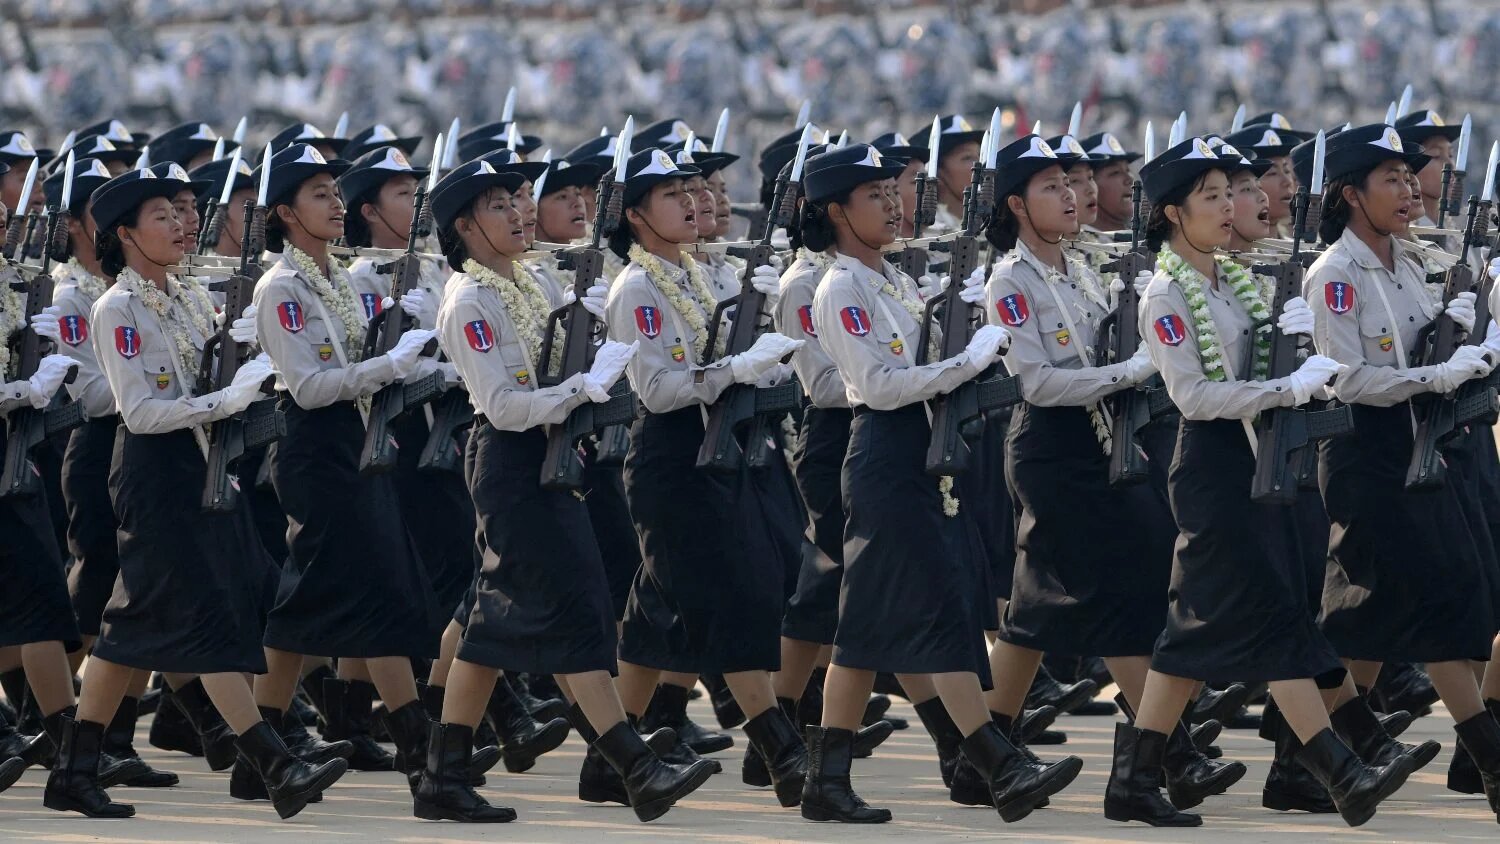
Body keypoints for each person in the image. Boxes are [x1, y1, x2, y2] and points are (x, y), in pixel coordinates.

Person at [1127, 136, 1414, 828]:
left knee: (1191, 636)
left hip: (1257, 461)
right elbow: (1193, 397)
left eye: (1232, 194)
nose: (1229, 208)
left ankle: (1133, 777)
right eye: (1211, 198)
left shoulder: (1234, 281)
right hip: (1211, 468)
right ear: (1173, 214)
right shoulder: (1166, 292)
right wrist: (1284, 388)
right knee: (1271, 615)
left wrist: (1288, 359)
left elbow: (1253, 376)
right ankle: (1340, 768)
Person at [417, 157, 715, 823]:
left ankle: (444, 772)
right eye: (500, 206)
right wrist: (579, 387)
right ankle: (630, 763)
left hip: (550, 457)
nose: (521, 213)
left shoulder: (530, 281)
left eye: (518, 201)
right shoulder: (469, 301)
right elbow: (500, 404)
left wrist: (593, 358)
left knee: (490, 622)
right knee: (562, 610)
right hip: (511, 462)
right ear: (464, 226)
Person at [801, 143, 1081, 824]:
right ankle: (995, 760)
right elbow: (878, 386)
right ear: (836, 211)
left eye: (892, 193)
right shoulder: (840, 286)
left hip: (921, 451)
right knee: (915, 612)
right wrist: (964, 363)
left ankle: (832, 780)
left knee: (888, 621)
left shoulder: (891, 278)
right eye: (876, 196)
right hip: (885, 452)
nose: (895, 205)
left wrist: (967, 346)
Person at [54, 167, 346, 819]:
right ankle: (271, 760)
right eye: (163, 216)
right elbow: (141, 411)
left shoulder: (184, 296)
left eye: (182, 214)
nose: (182, 224)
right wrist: (224, 399)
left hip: (203, 466)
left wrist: (243, 377)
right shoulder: (117, 307)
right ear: (125, 233)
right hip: (155, 472)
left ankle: (77, 768)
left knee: (157, 620)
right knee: (160, 618)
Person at [979, 132, 1238, 811]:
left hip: (1108, 443)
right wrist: (1126, 372)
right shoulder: (1009, 280)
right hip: (1055, 450)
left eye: (1073, 184)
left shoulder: (1083, 269)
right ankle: (1165, 758)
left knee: (1043, 607)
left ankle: (983, 754)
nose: (1072, 195)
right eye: (1051, 187)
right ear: (1015, 203)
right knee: (1121, 591)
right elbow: (1034, 382)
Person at [604, 147, 811, 808]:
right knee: (732, 595)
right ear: (636, 216)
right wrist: (738, 370)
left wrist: (768, 359)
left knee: (660, 613)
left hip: (723, 448)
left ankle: (609, 760)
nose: (694, 203)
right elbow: (662, 390)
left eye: (693, 192)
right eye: (672, 196)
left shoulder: (698, 273)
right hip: (673, 456)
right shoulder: (636, 288)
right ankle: (781, 747)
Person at [1305, 122, 1500, 812]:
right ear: (1352, 193)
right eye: (1391, 179)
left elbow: (1430, 347)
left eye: (1409, 177)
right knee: (1433, 596)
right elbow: (1347, 377)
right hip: (1365, 449)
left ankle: (1313, 758)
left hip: (1421, 445)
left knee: (1369, 612)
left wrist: (1471, 334)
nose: (1411, 189)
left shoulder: (1410, 263)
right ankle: (1487, 757)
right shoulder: (1334, 274)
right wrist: (1436, 375)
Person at [250, 143, 445, 787]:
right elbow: (307, 386)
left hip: (357, 441)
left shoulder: (335, 276)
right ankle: (421, 745)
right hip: (315, 445)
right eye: (318, 195)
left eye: (336, 193)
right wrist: (389, 364)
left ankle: (260, 754)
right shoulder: (281, 286)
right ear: (283, 212)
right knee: (356, 591)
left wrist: (397, 333)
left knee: (328, 598)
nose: (335, 205)